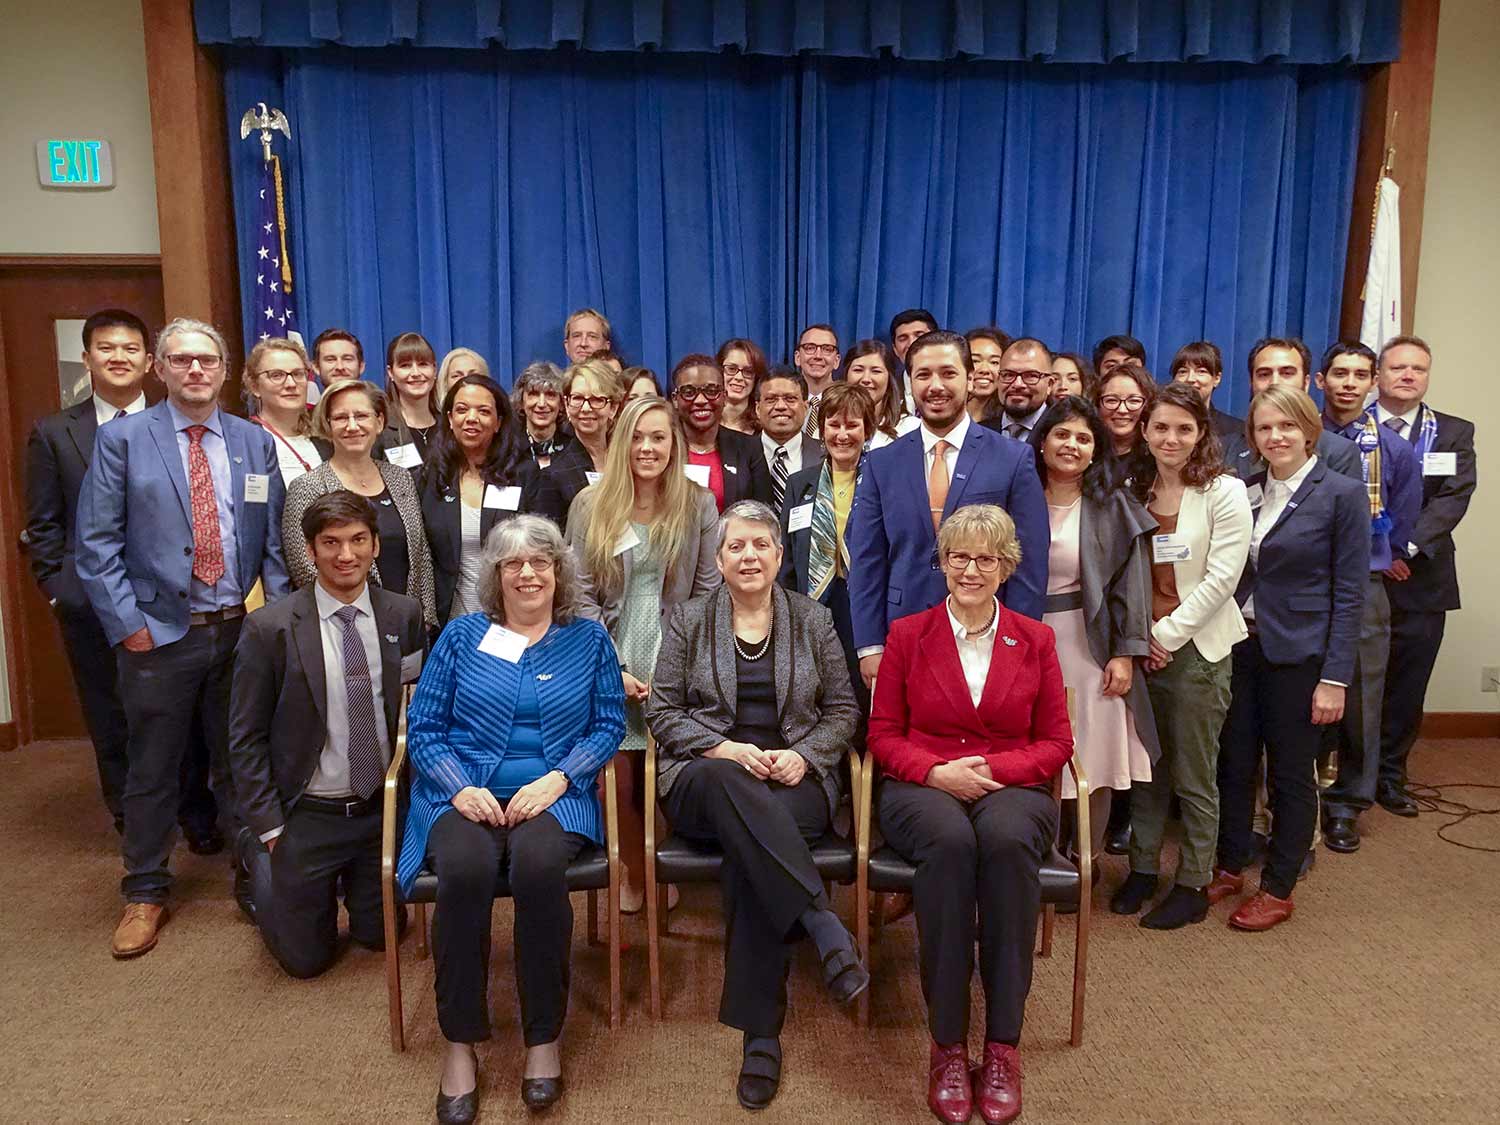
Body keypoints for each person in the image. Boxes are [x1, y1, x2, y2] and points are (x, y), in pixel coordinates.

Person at [76, 316, 290, 958]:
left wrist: (273, 620)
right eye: (181, 360)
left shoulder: (254, 443)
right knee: (154, 767)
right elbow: (95, 544)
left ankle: (252, 876)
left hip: (238, 632)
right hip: (159, 637)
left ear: (225, 372)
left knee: (242, 761)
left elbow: (274, 543)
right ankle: (144, 890)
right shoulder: (124, 440)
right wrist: (129, 627)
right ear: (160, 369)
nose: (195, 370)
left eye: (207, 360)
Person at [398, 514, 625, 1119]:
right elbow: (423, 729)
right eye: (513, 564)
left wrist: (559, 778)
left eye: (540, 562)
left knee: (539, 865)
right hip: (463, 794)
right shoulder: (461, 636)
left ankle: (542, 1038)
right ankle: (459, 1042)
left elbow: (609, 725)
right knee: (466, 872)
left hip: (555, 796)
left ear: (559, 571)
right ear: (495, 576)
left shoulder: (589, 638)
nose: (527, 574)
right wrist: (456, 786)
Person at [646, 501, 865, 1110]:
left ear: (777, 555)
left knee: (754, 852)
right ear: (718, 560)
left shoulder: (813, 618)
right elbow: (662, 713)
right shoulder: (689, 620)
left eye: (760, 546)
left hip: (795, 779)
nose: (748, 556)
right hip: (705, 778)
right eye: (736, 547)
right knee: (732, 790)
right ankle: (822, 923)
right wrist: (725, 748)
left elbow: (844, 711)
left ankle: (760, 1033)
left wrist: (806, 754)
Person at [869, 504, 1072, 1125]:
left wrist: (991, 773)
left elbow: (1057, 742)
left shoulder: (1036, 640)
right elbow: (882, 734)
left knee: (1009, 845)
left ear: (1007, 566)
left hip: (1011, 784)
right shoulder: (909, 634)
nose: (972, 569)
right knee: (951, 847)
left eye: (986, 558)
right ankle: (949, 1046)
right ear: (943, 562)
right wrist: (934, 772)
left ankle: (1003, 1047)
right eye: (960, 556)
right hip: (922, 783)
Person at [23, 309, 216, 848]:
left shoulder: (178, 425)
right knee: (112, 718)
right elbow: (43, 525)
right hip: (92, 606)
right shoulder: (55, 433)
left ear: (149, 362)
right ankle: (130, 824)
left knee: (184, 718)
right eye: (106, 348)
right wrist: (61, 593)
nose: (119, 358)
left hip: (170, 604)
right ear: (87, 359)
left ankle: (194, 815)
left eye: (131, 349)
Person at [228, 491, 426, 978]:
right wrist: (271, 829)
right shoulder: (269, 629)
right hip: (307, 814)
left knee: (380, 938)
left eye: (358, 540)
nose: (346, 555)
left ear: (376, 545)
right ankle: (256, 859)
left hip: (377, 810)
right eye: (331, 542)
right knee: (305, 961)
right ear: (311, 550)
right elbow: (245, 738)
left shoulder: (404, 615)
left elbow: (412, 708)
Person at [1211, 386, 1367, 931]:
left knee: (1290, 774)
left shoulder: (1343, 494)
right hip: (1240, 645)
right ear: (1250, 437)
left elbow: (1351, 593)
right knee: (1233, 762)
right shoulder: (1246, 488)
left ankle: (1277, 887)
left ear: (1309, 430)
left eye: (1286, 426)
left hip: (1301, 656)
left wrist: (1335, 678)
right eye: (1263, 428)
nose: (1275, 437)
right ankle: (1230, 864)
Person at [568, 395, 720, 911]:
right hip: (606, 651)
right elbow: (578, 594)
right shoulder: (591, 505)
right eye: (637, 436)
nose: (647, 447)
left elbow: (706, 594)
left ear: (674, 443)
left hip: (678, 652)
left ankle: (668, 859)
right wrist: (613, 665)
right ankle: (635, 868)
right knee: (622, 776)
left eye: (659, 437)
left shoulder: (698, 503)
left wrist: (673, 669)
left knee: (670, 772)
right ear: (620, 441)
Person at [1110, 384, 1251, 929]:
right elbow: (1121, 569)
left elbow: (1222, 579)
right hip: (1140, 646)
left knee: (1193, 774)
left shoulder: (1225, 491)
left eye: (1184, 429)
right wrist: (1136, 635)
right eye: (1161, 427)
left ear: (1201, 435)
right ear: (1144, 431)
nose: (1171, 438)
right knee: (1148, 769)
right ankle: (1143, 870)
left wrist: (1165, 635)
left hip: (1195, 652)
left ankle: (1193, 881)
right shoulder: (1132, 488)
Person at [848, 330, 1050, 695]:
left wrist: (1018, 640)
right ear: (909, 384)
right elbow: (867, 560)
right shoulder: (881, 463)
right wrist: (870, 646)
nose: (935, 385)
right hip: (902, 634)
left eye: (948, 373)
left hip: (987, 634)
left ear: (971, 378)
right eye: (923, 375)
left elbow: (1030, 563)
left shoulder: (1012, 459)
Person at [1031, 398, 1158, 870]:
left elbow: (1132, 588)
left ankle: (1083, 861)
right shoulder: (1016, 494)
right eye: (1062, 434)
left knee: (1093, 752)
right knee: (1030, 749)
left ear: (1095, 450)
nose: (1072, 445)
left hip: (1089, 642)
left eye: (1084, 438)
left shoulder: (1112, 506)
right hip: (1023, 638)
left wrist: (1125, 654)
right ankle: (1037, 852)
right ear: (1042, 440)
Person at [1314, 341, 1422, 850]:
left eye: (1360, 374)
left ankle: (1347, 803)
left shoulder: (1396, 451)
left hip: (1363, 583)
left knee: (1359, 700)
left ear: (1374, 380)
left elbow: (1401, 522)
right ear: (1321, 380)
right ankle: (1294, 798)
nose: (1349, 383)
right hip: (1302, 585)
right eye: (1339, 373)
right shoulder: (1298, 434)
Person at [1373, 336, 1476, 816]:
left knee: (1408, 686)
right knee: (1352, 686)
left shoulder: (1453, 432)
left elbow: (1452, 498)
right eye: (1398, 367)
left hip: (1424, 579)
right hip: (1363, 579)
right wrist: (1377, 553)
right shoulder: (1356, 430)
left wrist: (1403, 548)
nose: (1408, 375)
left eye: (1418, 368)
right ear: (1379, 374)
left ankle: (1391, 776)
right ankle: (1343, 776)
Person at [283, 380, 437, 628]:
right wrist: (361, 614)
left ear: (379, 422)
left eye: (362, 416)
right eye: (341, 417)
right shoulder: (308, 487)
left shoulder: (401, 478)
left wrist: (424, 617)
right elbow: (303, 565)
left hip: (407, 624)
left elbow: (421, 554)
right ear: (328, 425)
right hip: (342, 625)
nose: (352, 426)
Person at [778, 381, 876, 717]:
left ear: (868, 429)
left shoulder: (884, 476)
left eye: (852, 425)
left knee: (860, 695)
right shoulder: (799, 483)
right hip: (812, 606)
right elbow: (788, 558)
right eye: (834, 425)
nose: (842, 434)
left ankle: (860, 764)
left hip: (863, 605)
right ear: (821, 430)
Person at [419, 375, 536, 624]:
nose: (471, 418)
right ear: (450, 419)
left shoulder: (523, 475)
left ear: (498, 422)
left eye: (483, 411)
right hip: (449, 623)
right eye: (462, 410)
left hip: (511, 619)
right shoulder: (431, 477)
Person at [1220, 337, 1363, 480]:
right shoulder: (1225, 448)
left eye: (1287, 373)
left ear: (1306, 383)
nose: (1275, 382)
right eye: (1264, 374)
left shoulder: (1339, 452)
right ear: (1251, 383)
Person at [668, 353, 774, 511]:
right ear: (675, 399)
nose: (701, 400)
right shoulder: (664, 446)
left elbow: (764, 513)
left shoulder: (749, 448)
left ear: (724, 397)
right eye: (689, 392)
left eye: (711, 391)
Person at [531, 361, 624, 528]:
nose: (586, 408)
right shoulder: (554, 476)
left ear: (613, 408)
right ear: (566, 405)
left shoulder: (627, 462)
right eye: (578, 398)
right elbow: (546, 545)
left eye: (597, 399)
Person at [243, 337, 329, 486]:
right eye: (276, 375)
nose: (291, 384)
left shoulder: (325, 438)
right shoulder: (245, 442)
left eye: (298, 374)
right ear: (254, 386)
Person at [755, 367, 822, 509]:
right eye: (771, 399)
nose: (780, 406)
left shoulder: (825, 455)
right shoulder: (740, 454)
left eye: (790, 399)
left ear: (806, 407)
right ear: (757, 409)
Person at [377, 332, 441, 470]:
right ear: (390, 372)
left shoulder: (450, 426)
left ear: (434, 370)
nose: (416, 373)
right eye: (405, 365)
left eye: (423, 364)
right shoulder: (380, 428)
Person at [844, 338, 919, 450]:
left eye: (876, 371)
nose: (866, 379)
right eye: (858, 370)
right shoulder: (829, 425)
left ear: (889, 379)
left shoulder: (911, 429)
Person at [983, 337, 1056, 443]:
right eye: (1008, 375)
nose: (1018, 384)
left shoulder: (1061, 436)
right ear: (998, 380)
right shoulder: (980, 433)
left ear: (1050, 385)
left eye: (1031, 376)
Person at [1169, 341, 1241, 438]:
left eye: (1201, 371)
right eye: (1183, 371)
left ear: (1217, 378)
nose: (1190, 379)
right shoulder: (1158, 424)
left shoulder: (1236, 430)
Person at [512, 360, 571, 467]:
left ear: (562, 403)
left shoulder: (573, 447)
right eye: (533, 394)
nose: (542, 403)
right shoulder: (508, 448)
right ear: (521, 401)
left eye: (550, 394)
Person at [1091, 362, 1155, 460]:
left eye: (1134, 401)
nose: (1122, 410)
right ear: (1098, 404)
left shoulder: (1158, 458)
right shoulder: (1086, 451)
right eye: (1112, 400)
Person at [793, 324, 841, 440]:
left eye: (827, 349)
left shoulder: (848, 402)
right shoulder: (785, 402)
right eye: (810, 348)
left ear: (836, 360)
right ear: (797, 358)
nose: (818, 356)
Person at [717, 338, 768, 435]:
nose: (739, 377)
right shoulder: (704, 423)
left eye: (748, 372)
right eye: (731, 369)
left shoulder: (765, 429)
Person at [964, 327, 1011, 423]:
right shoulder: (946, 413)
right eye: (975, 361)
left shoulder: (1009, 419)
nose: (984, 370)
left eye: (994, 362)